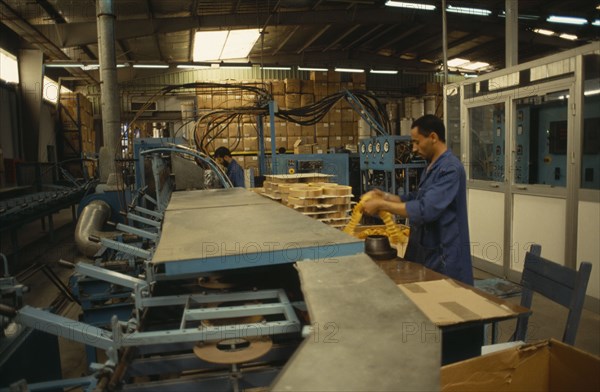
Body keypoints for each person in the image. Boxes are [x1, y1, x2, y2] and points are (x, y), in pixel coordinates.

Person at [362, 115, 473, 285]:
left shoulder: (450, 169)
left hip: (444, 254)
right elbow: (416, 197)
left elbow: (426, 209)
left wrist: (383, 205)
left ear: (433, 137)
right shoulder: (430, 166)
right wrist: (385, 196)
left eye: (417, 142)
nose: (413, 148)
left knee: (444, 301)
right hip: (426, 251)